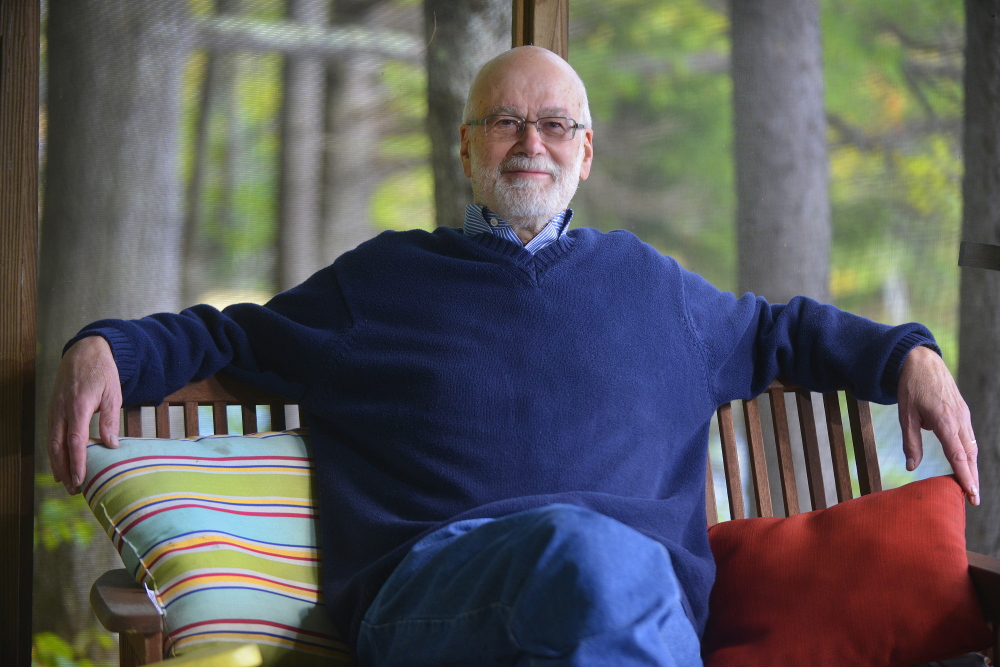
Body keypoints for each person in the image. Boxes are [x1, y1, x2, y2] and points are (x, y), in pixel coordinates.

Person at [48, 46, 979, 666]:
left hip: (631, 602)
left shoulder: (657, 289)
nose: (530, 142)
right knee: (584, 550)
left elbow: (789, 330)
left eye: (555, 125)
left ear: (586, 155)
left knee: (606, 566)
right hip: (433, 595)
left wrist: (913, 357)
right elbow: (233, 335)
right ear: (466, 147)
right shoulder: (382, 281)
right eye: (504, 121)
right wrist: (108, 346)